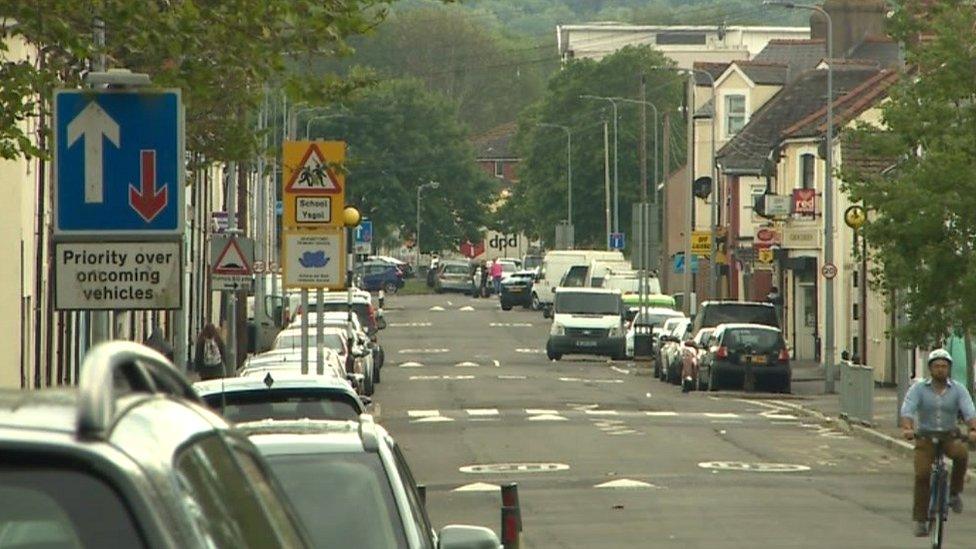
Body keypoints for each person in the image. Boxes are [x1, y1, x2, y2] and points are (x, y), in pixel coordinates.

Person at [899, 349, 976, 537]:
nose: (940, 370)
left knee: (961, 454)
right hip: (925, 438)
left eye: (944, 366)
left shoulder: (958, 389)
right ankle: (920, 520)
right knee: (922, 475)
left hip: (948, 436)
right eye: (937, 366)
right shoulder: (918, 389)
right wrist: (908, 428)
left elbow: (969, 412)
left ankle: (954, 493)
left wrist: (973, 429)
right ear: (930, 369)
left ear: (949, 369)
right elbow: (907, 410)